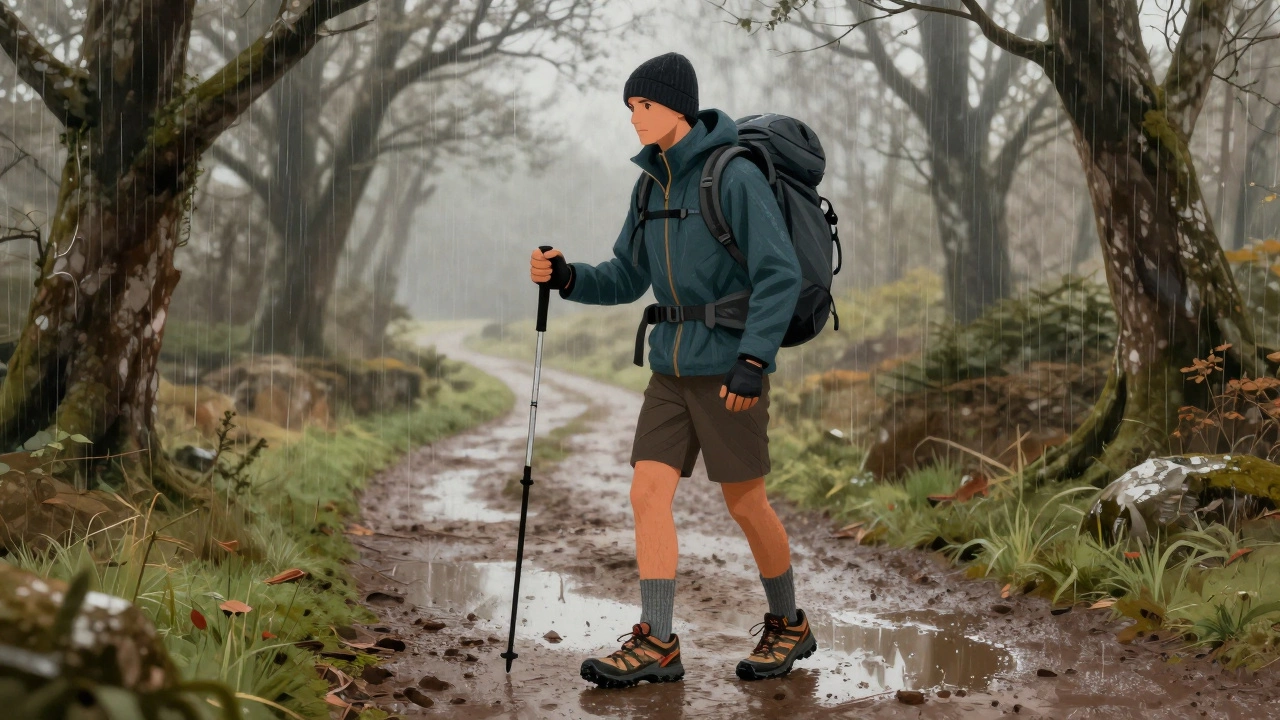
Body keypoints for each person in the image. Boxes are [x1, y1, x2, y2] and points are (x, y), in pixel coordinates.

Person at [529, 52, 813, 687]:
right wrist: (570, 276)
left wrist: (752, 359)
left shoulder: (732, 177)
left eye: (645, 106)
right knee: (646, 493)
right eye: (629, 108)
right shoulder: (648, 184)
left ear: (677, 108)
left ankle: (789, 622)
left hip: (727, 367)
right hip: (669, 370)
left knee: (745, 502)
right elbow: (628, 275)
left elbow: (779, 274)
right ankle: (657, 642)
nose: (634, 118)